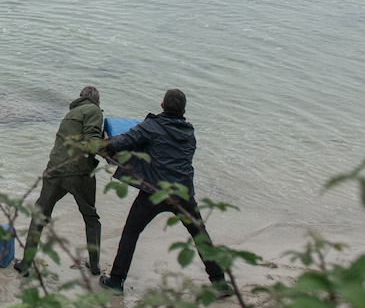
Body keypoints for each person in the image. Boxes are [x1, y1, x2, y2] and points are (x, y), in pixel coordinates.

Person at [99, 89, 230, 296]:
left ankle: (116, 281)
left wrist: (104, 141)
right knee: (199, 235)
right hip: (183, 194)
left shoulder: (151, 126)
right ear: (184, 110)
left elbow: (121, 143)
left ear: (161, 105)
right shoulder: (189, 133)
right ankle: (220, 283)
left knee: (131, 233)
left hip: (154, 193)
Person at [15, 86, 104, 277]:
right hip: (79, 173)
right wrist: (114, 148)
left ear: (80, 97)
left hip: (54, 170)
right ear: (97, 101)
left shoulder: (71, 113)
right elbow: (92, 143)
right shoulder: (94, 111)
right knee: (91, 218)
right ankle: (95, 265)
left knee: (39, 215)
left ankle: (25, 264)